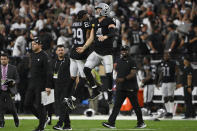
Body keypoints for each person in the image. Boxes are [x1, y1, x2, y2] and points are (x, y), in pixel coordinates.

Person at [77, 3, 116, 102]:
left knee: (108, 74)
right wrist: (84, 47)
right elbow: (91, 37)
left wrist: (105, 36)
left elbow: (112, 33)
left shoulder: (110, 20)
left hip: (107, 52)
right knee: (86, 69)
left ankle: (110, 93)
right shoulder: (94, 21)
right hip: (97, 51)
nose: (97, 11)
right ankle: (95, 90)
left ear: (104, 10)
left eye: (99, 9)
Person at [102, 46, 146, 129]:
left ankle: (141, 123)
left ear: (128, 51)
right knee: (116, 107)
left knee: (136, 106)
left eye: (125, 50)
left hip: (131, 88)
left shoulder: (132, 61)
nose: (123, 52)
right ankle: (111, 123)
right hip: (121, 88)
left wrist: (123, 79)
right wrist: (117, 80)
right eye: (122, 50)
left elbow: (133, 74)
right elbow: (117, 73)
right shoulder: (118, 61)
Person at [64, 10, 91, 109]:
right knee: (83, 78)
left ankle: (66, 97)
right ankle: (73, 98)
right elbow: (88, 36)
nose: (88, 16)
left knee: (72, 77)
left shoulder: (75, 23)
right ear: (83, 16)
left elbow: (71, 32)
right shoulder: (86, 22)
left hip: (73, 51)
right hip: (81, 51)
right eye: (86, 14)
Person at [24, 37, 51, 131]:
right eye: (32, 44)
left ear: (40, 45)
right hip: (32, 82)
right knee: (27, 104)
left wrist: (48, 86)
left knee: (40, 105)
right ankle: (44, 119)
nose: (33, 46)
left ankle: (41, 127)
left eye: (35, 44)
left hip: (41, 84)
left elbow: (49, 72)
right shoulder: (32, 55)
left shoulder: (44, 56)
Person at [0, 53, 19, 128]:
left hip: (9, 91)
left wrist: (13, 82)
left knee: (12, 108)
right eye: (1, 59)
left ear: (8, 59)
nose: (3, 60)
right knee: (0, 108)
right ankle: (1, 122)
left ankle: (16, 119)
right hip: (1, 91)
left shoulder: (13, 68)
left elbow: (18, 79)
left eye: (4, 59)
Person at [157, 52, 178, 118]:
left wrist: (177, 82)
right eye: (165, 56)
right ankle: (168, 111)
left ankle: (171, 112)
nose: (166, 57)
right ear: (163, 56)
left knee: (170, 96)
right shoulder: (161, 63)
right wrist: (158, 81)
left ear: (169, 56)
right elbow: (161, 73)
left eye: (167, 56)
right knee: (165, 97)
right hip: (164, 82)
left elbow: (177, 72)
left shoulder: (173, 63)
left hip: (171, 81)